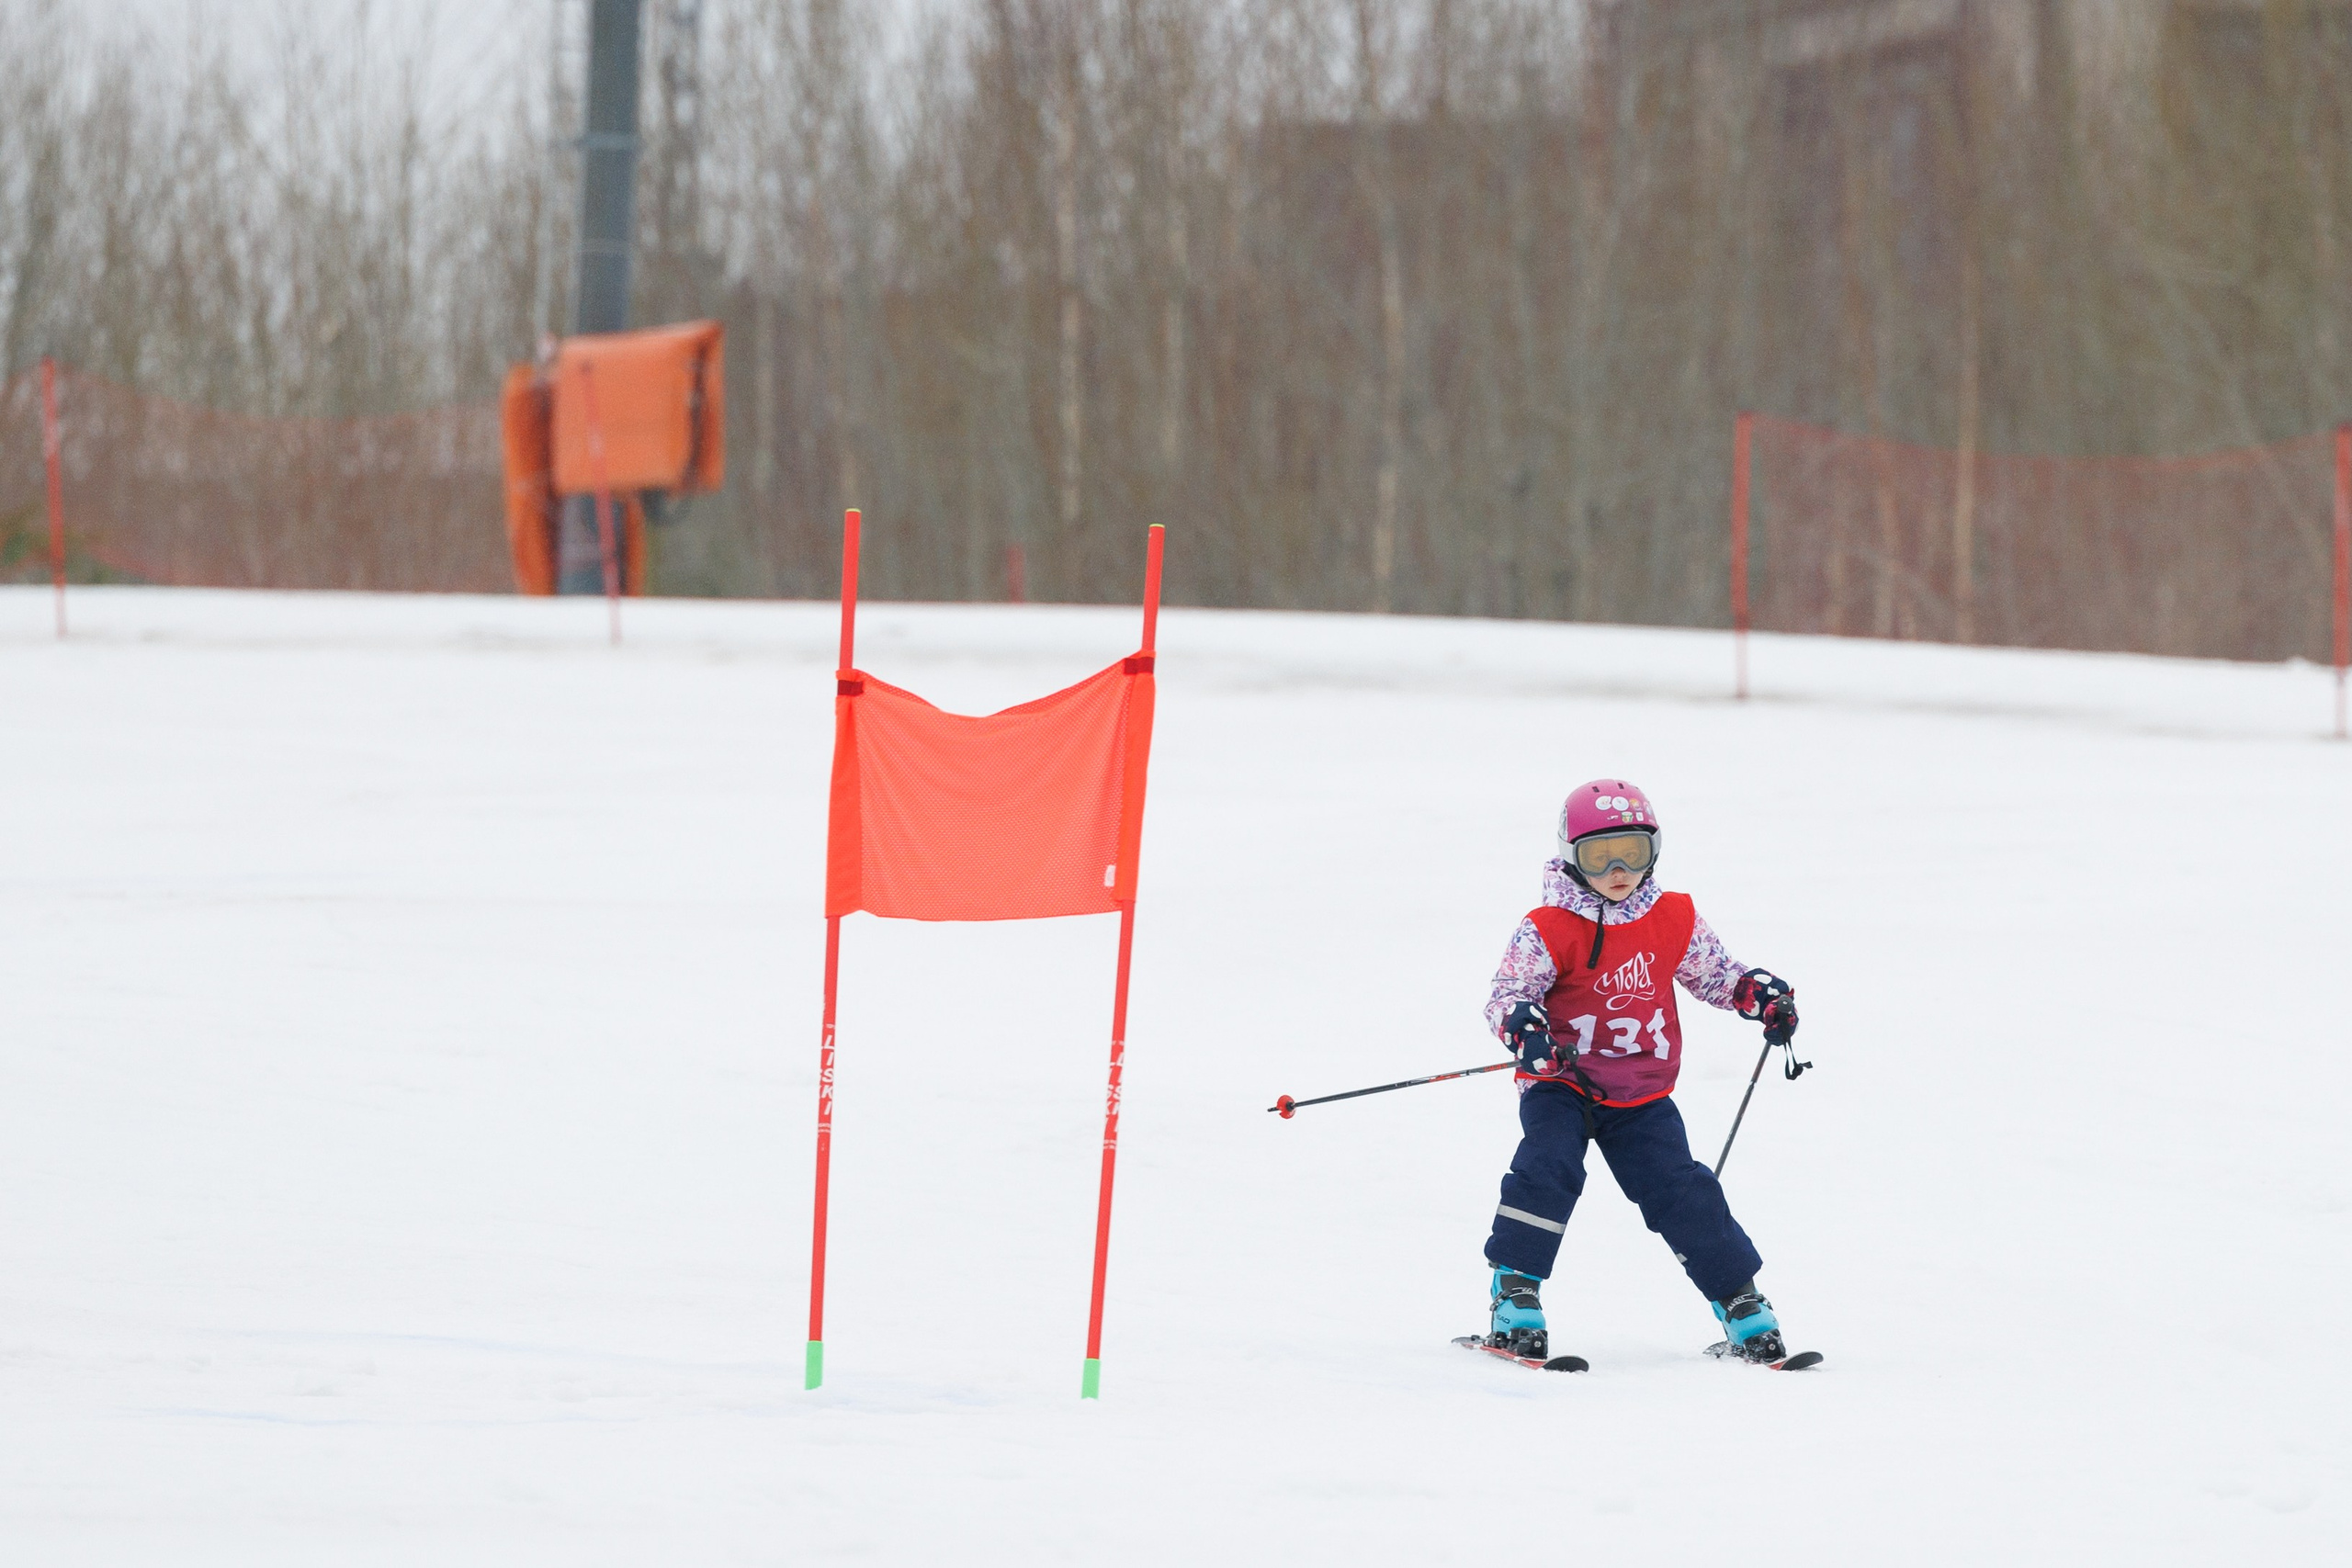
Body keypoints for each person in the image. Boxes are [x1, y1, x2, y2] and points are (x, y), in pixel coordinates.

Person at [1479, 778, 1801, 1365]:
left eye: (1634, 850)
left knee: (1682, 1189)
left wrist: (1757, 995)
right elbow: (1509, 992)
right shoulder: (1549, 926)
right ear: (1570, 856)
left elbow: (1714, 974)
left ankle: (1741, 1303)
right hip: (1562, 1082)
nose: (1619, 869)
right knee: (1547, 1168)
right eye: (1599, 856)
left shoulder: (1671, 915)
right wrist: (1527, 1032)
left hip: (1641, 1091)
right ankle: (1515, 1293)